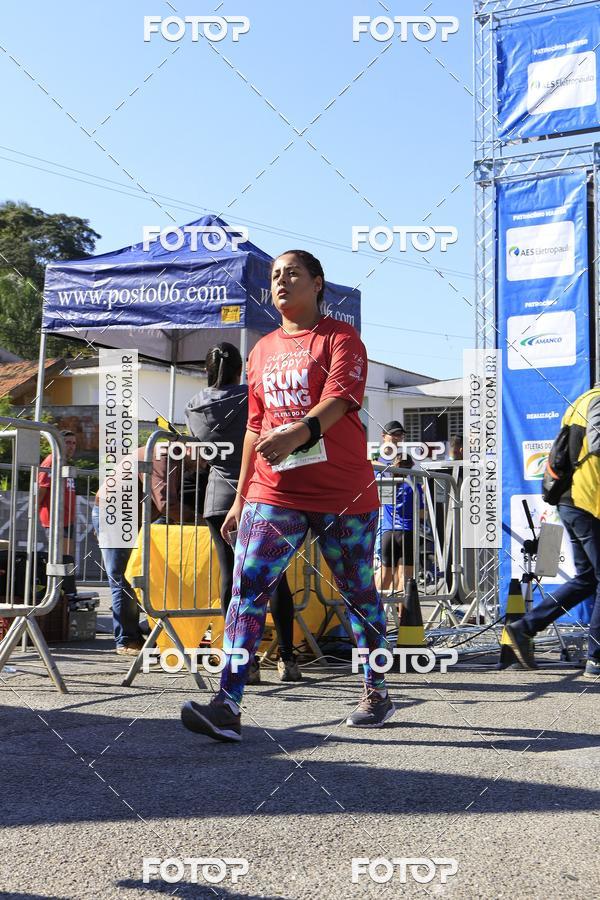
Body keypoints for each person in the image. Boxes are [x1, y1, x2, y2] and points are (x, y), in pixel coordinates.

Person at [181, 249, 394, 742]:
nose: (282, 281)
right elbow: (256, 428)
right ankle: (228, 703)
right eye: (275, 275)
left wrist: (298, 433)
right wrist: (240, 498)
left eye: (293, 273)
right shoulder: (260, 351)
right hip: (275, 491)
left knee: (359, 594)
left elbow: (341, 400)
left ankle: (376, 689)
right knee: (246, 589)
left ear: (318, 283)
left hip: (342, 491)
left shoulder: (342, 338)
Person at [185, 342, 301, 683]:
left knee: (230, 579)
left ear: (206, 370)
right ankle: (287, 659)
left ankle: (241, 660)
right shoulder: (253, 395)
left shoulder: (193, 406)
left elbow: (200, 452)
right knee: (273, 577)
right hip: (260, 493)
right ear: (242, 369)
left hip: (218, 498)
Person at [506, 386, 600, 678]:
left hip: (573, 500)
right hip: (588, 501)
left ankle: (525, 627)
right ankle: (596, 659)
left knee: (586, 579)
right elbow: (597, 445)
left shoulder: (583, 400)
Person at [94, 443, 193, 655]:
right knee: (124, 578)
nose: (203, 465)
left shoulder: (175, 458)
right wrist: (203, 521)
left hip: (127, 517)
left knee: (143, 576)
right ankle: (127, 640)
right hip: (116, 517)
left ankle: (140, 629)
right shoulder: (163, 456)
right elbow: (167, 504)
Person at [374, 423, 423, 595]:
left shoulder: (407, 481)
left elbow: (385, 498)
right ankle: (393, 615)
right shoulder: (376, 458)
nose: (397, 438)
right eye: (393, 435)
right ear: (384, 436)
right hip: (386, 526)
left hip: (388, 528)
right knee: (400, 576)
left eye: (400, 435)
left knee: (389, 573)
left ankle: (383, 612)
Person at [37, 429, 77, 557]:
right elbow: (42, 489)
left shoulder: (63, 462)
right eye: (67, 442)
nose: (71, 446)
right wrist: (35, 511)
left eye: (74, 443)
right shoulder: (51, 461)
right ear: (58, 443)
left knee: (66, 559)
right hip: (55, 519)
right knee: (62, 559)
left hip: (66, 519)